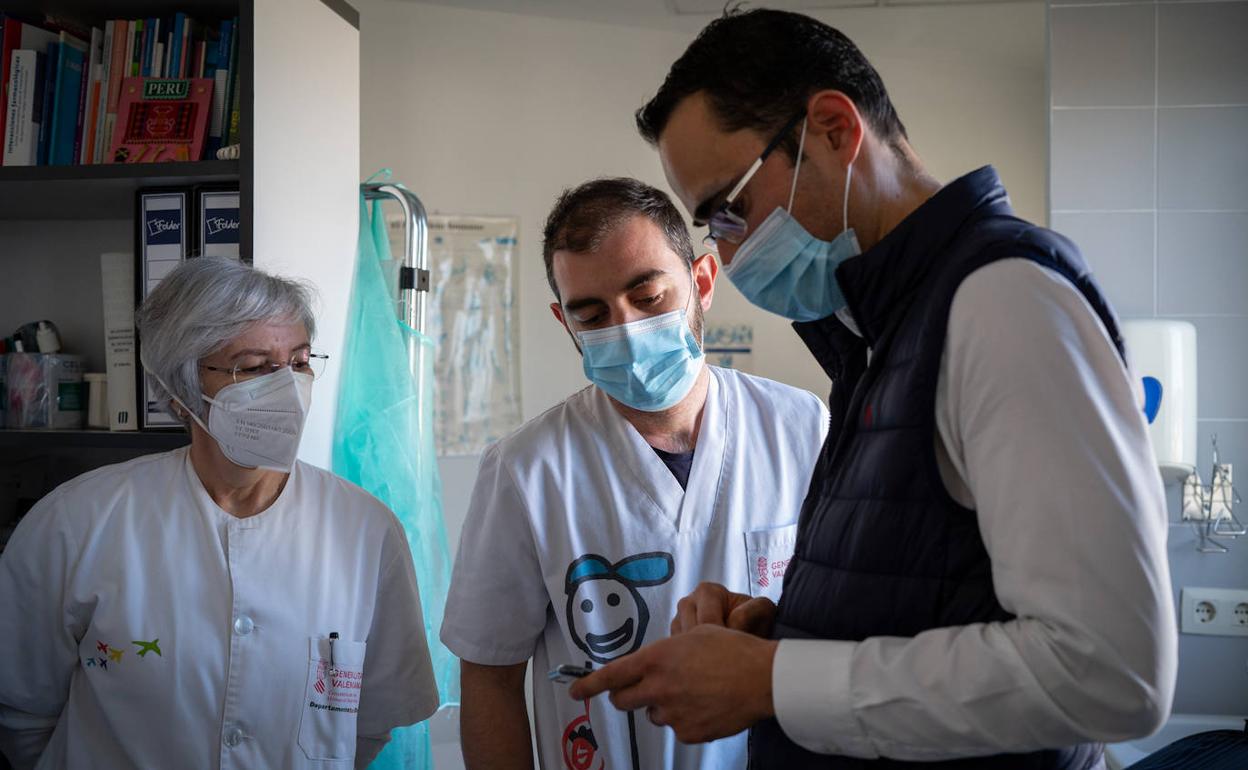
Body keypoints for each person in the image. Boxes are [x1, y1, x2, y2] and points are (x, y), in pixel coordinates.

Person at [571, 9, 1176, 770]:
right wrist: (783, 633)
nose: (725, 247)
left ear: (832, 128)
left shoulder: (1004, 303)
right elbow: (938, 594)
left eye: (730, 208)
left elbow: (1109, 673)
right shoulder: (883, 332)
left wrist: (777, 679)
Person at [440, 177, 829, 770]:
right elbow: (490, 676)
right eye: (592, 314)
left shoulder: (802, 429)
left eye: (647, 299)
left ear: (701, 282)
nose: (623, 328)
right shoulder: (526, 471)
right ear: (564, 322)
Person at [0, 257, 438, 769]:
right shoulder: (77, 523)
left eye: (298, 362)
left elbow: (371, 723)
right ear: (182, 389)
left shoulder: (366, 531)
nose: (287, 389)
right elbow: (23, 717)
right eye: (253, 368)